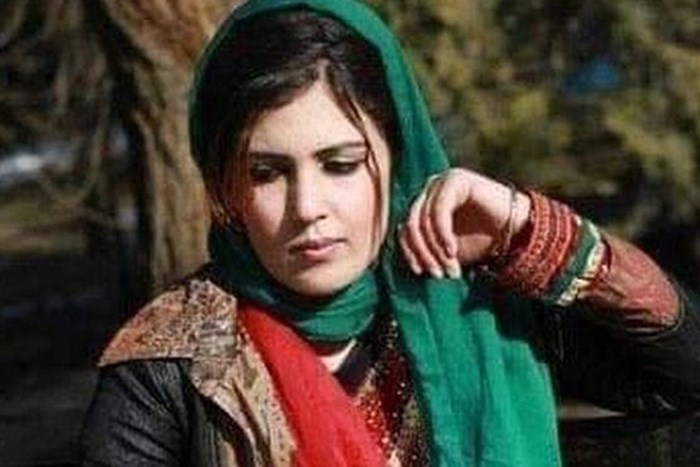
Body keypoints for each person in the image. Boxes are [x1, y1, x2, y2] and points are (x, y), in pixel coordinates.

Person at [81, 0, 700, 465]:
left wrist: (527, 229)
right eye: (266, 173)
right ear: (225, 186)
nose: (307, 208)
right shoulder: (169, 366)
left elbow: (683, 379)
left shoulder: (475, 302)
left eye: (341, 165)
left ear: (395, 157)